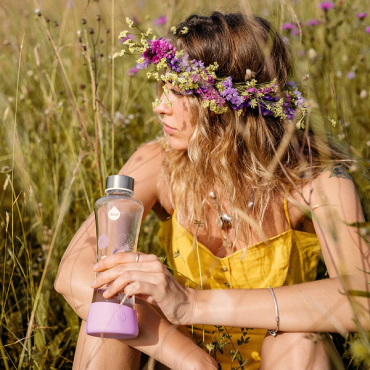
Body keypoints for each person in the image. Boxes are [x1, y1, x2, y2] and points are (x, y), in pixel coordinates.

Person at [55, 12, 369, 369]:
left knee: (304, 342)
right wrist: (192, 360)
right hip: (182, 358)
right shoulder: (158, 162)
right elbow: (72, 274)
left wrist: (193, 304)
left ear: (228, 104)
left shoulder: (315, 177)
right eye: (163, 88)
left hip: (281, 355)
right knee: (106, 321)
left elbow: (362, 299)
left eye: (179, 92)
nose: (160, 106)